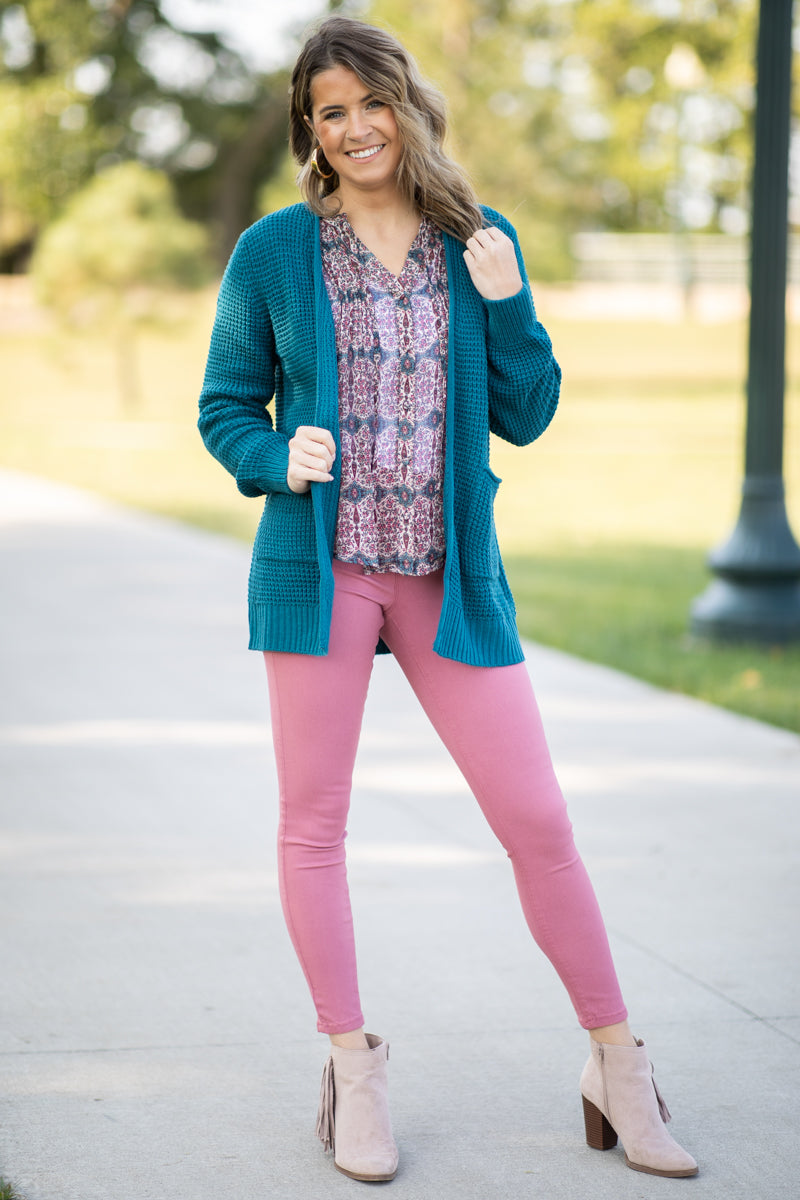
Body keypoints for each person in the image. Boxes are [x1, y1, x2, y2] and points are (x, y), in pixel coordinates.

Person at [198, 13, 698, 1185]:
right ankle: (351, 1068)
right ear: (309, 131)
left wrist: (509, 300)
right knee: (313, 825)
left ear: (408, 106)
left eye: (370, 102)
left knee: (537, 821)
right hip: (321, 572)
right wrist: (276, 457)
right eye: (330, 111)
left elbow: (526, 412)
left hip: (445, 575)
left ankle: (617, 1064)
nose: (355, 127)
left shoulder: (477, 239)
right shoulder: (274, 252)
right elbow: (225, 403)